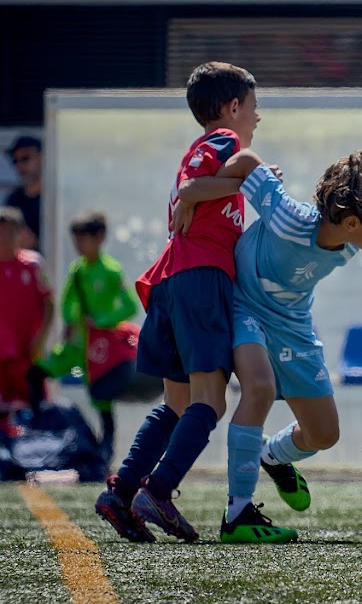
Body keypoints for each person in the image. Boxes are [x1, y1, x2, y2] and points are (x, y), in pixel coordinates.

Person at [176, 149, 362, 542]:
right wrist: (194, 197)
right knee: (259, 388)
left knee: (324, 434)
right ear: (352, 222)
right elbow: (247, 160)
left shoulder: (352, 242)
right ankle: (238, 514)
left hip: (293, 322)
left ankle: (273, 456)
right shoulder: (289, 218)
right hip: (243, 304)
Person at [94, 61, 264, 543]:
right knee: (210, 399)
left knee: (176, 402)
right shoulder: (227, 143)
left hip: (169, 278)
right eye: (254, 108)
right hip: (199, 276)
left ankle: (121, 491)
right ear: (232, 108)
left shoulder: (199, 147)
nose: (257, 118)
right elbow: (193, 188)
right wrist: (253, 181)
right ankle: (160, 489)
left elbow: (187, 192)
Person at [25, 211, 139, 464]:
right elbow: (67, 302)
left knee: (102, 401)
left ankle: (105, 452)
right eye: (75, 240)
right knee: (36, 374)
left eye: (83, 239)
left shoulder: (111, 270)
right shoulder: (77, 269)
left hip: (99, 350)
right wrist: (69, 322)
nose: (78, 245)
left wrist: (102, 320)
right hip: (76, 346)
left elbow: (130, 306)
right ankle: (38, 432)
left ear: (99, 237)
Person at [0, 207, 54, 422]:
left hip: (27, 355)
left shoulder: (33, 264)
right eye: (1, 232)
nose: (5, 238)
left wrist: (40, 340)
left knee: (35, 411)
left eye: (10, 232)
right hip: (1, 357)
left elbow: (49, 304)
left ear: (20, 234)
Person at [3, 135, 43, 251]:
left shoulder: (56, 197)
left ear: (42, 157)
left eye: (25, 158)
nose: (20, 166)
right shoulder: (14, 200)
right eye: (15, 161)